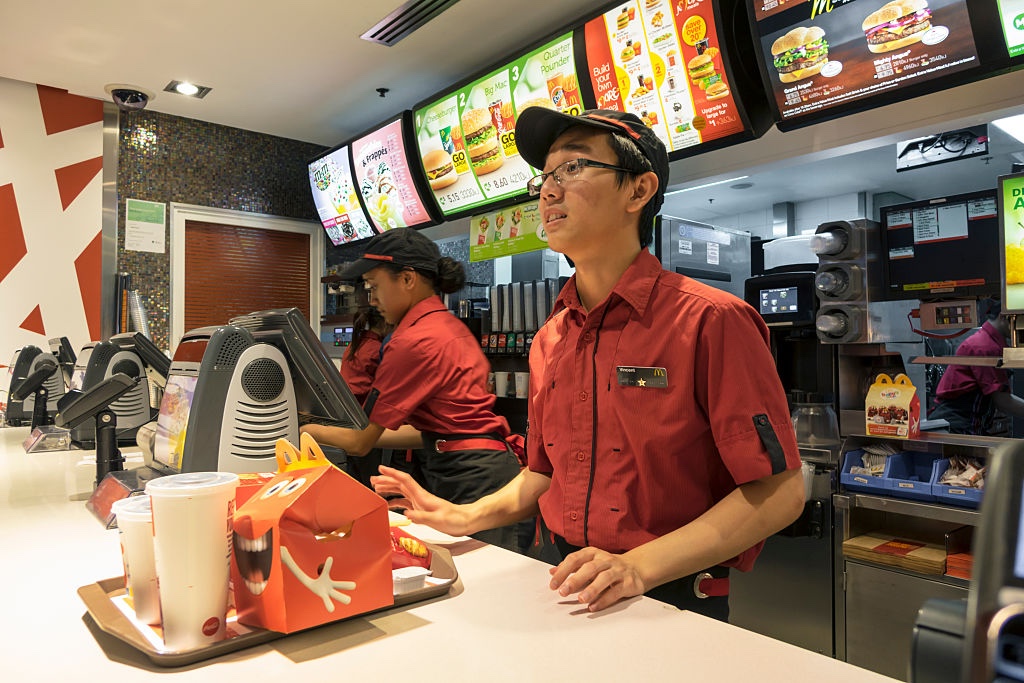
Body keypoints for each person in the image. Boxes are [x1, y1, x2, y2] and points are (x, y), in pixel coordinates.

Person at [371, 108, 805, 620]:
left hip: (669, 597)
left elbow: (779, 491)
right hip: (560, 580)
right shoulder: (552, 336)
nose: (548, 192)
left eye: (573, 169)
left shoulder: (713, 320)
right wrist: (467, 515)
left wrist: (637, 567)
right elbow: (546, 472)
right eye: (546, 176)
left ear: (638, 191)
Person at [301, 228, 522, 551]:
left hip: (471, 476)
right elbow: (428, 430)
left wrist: (303, 427)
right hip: (479, 466)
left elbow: (362, 442)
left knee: (484, 578)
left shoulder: (414, 341)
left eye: (375, 287)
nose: (372, 300)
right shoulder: (444, 326)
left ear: (407, 279)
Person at [930, 303, 1024, 434]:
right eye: (1021, 321)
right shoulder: (985, 346)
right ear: (1003, 317)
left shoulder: (989, 342)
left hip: (966, 422)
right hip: (957, 424)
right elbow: (1003, 401)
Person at [339, 305, 393, 487]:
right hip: (367, 424)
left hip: (348, 422)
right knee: (372, 486)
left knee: (355, 485)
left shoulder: (354, 345)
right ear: (386, 323)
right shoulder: (377, 350)